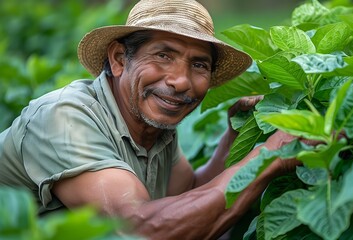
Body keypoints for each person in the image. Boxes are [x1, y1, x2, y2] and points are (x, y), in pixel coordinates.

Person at [0, 0, 301, 239]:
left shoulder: (153, 125)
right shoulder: (64, 117)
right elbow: (137, 230)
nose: (181, 81)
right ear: (119, 59)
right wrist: (269, 156)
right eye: (163, 56)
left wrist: (235, 139)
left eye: (199, 64)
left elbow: (188, 197)